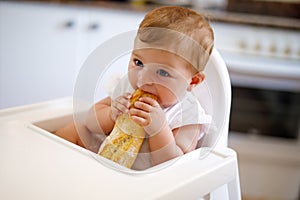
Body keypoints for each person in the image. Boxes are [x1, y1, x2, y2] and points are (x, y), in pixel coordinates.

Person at [55, 6, 214, 170]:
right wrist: (110, 115)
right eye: (138, 63)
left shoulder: (188, 115)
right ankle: (48, 167)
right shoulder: (127, 87)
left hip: (142, 180)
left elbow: (173, 166)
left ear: (193, 81)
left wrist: (158, 130)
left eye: (162, 72)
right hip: (103, 159)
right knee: (76, 128)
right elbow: (90, 122)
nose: (143, 79)